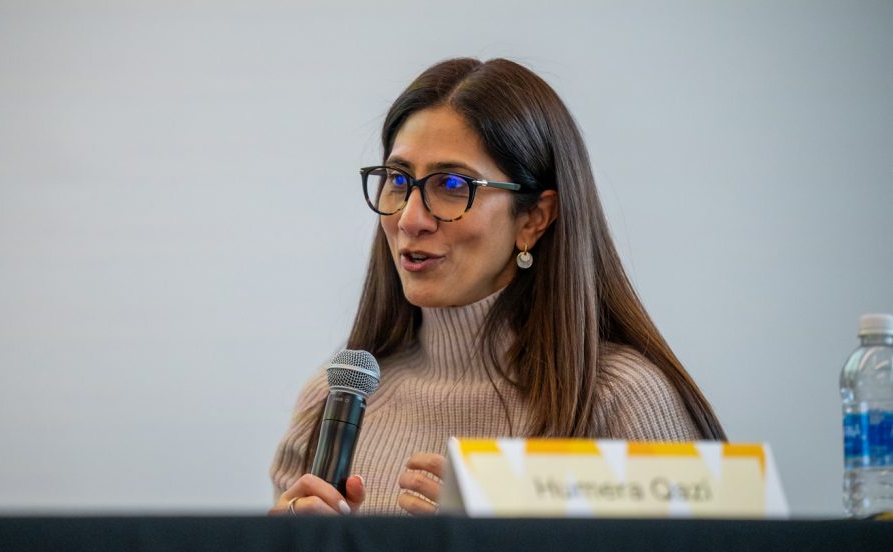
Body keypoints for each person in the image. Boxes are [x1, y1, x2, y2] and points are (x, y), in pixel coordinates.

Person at [268, 57, 726, 517]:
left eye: (451, 183)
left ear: (533, 219)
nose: (410, 218)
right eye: (398, 180)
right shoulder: (330, 399)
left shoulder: (622, 398)